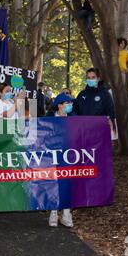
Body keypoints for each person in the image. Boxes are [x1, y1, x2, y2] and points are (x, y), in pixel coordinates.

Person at [48, 93, 74, 228]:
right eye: (67, 103)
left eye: (71, 103)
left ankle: (66, 213)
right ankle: (53, 212)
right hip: (53, 156)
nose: (70, 105)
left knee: (67, 183)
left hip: (70, 156)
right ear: (59, 105)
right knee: (54, 183)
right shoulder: (49, 119)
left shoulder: (74, 119)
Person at [75, 68, 116, 134]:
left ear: (98, 78)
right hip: (84, 129)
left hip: (100, 130)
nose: (90, 79)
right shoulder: (82, 94)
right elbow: (75, 109)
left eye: (93, 77)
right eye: (88, 77)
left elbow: (111, 111)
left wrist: (110, 121)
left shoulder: (105, 93)